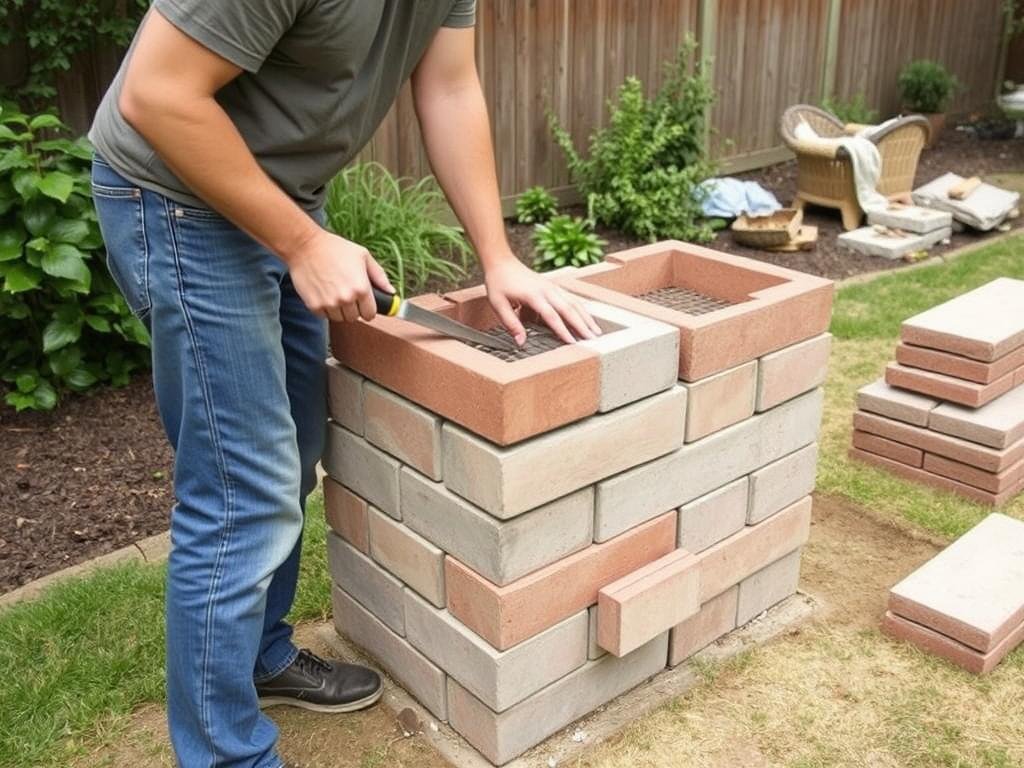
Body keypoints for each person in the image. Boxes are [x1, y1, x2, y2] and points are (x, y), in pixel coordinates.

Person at [88, 2, 600, 766]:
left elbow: (451, 88)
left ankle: (260, 657)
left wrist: (498, 257)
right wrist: (300, 243)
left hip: (282, 194)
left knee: (293, 449)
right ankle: (226, 754)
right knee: (243, 489)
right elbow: (157, 94)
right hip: (175, 197)